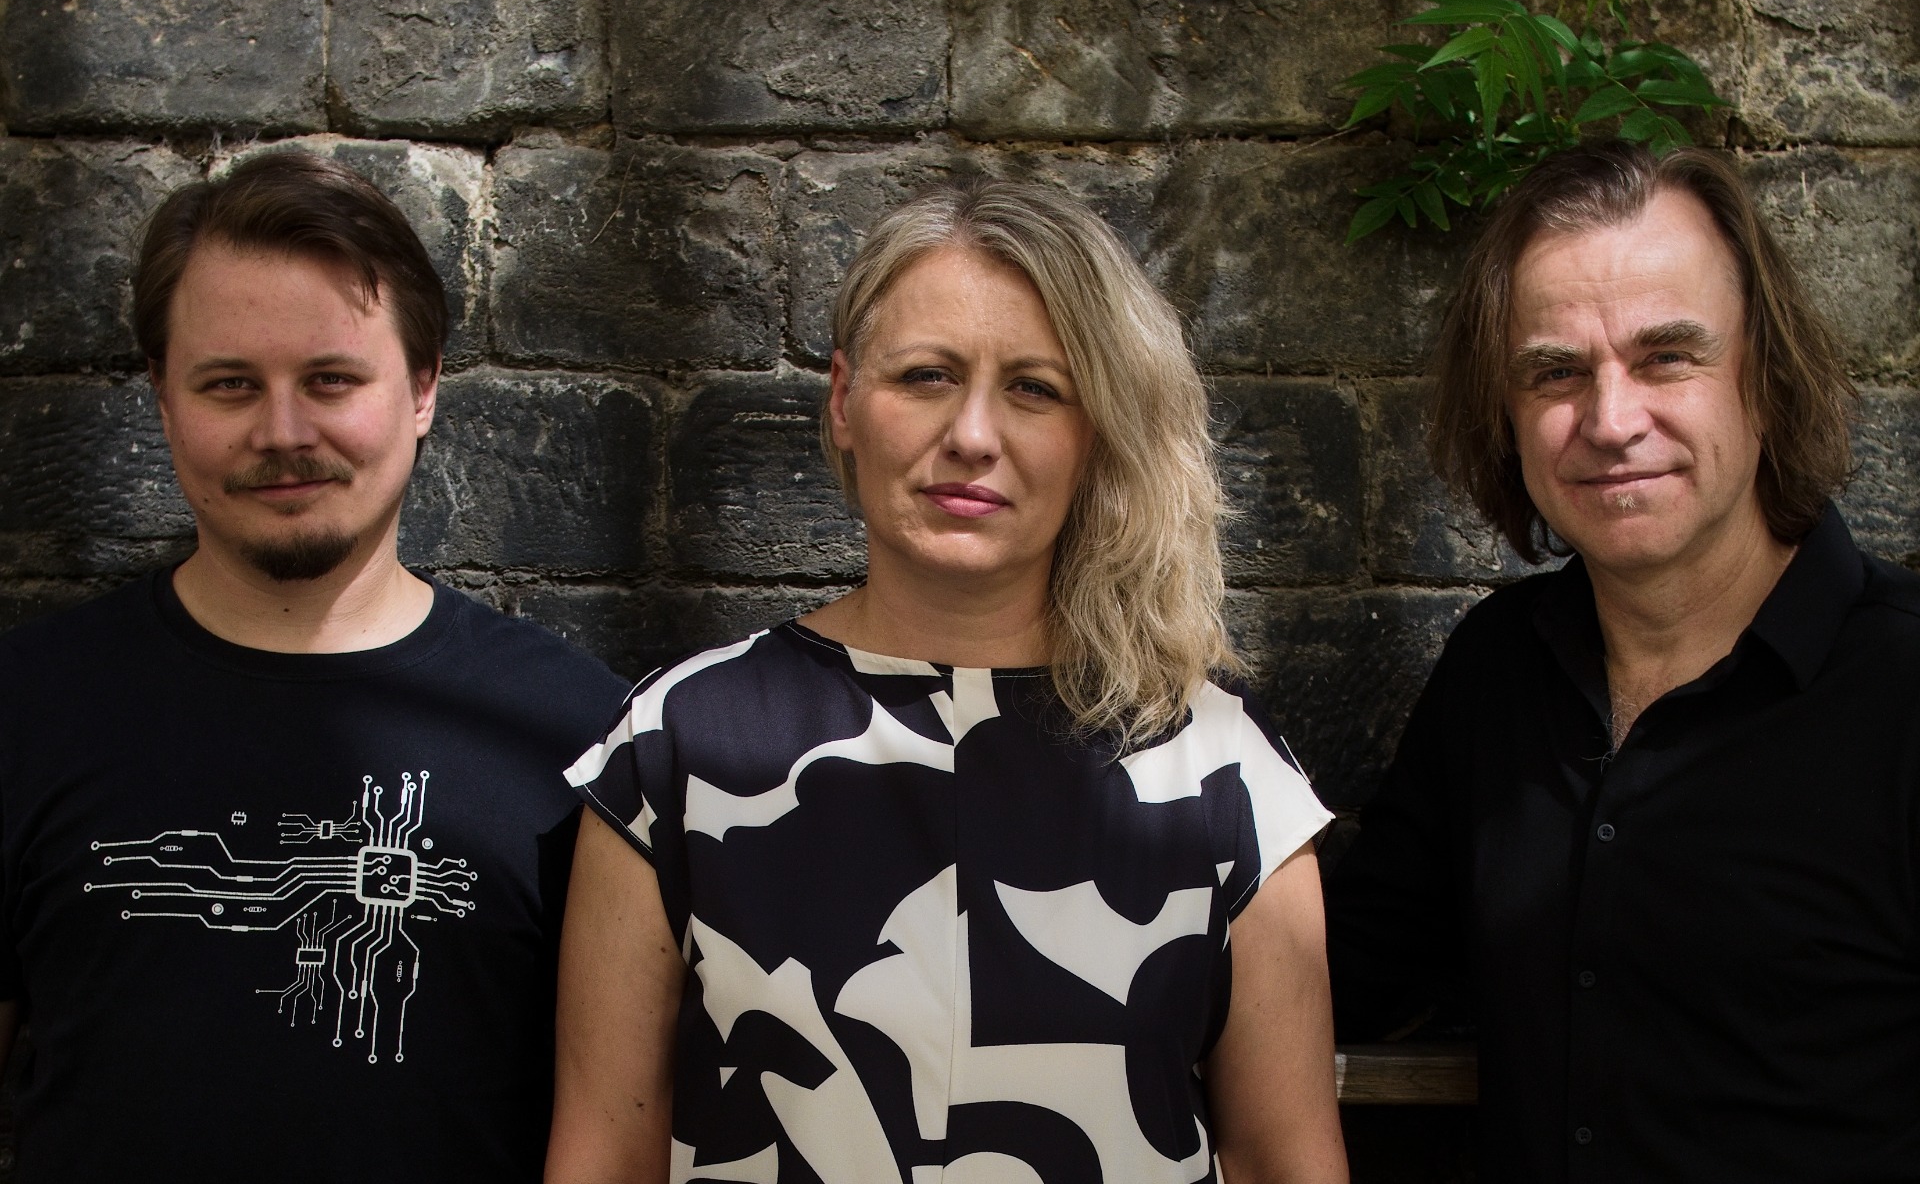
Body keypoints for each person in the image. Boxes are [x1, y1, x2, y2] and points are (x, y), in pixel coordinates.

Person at [548, 179, 1348, 1183]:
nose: (972, 434)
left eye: (1035, 388)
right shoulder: (678, 746)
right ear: (844, 400)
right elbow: (605, 1152)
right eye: (926, 375)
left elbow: (1285, 1159)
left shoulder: (1221, 767)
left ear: (1096, 431)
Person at [0, 150, 630, 1182]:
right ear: (163, 397)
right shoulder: (25, 707)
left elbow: (619, 1132)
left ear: (422, 388)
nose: (283, 432)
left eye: (331, 380)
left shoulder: (580, 733)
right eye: (230, 385)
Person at [1325, 141, 1920, 1181]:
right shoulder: (1499, 670)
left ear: (1765, 379)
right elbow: (1346, 968)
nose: (1609, 421)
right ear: (1506, 416)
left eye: (1667, 357)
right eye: (1555, 372)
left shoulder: (1903, 687)